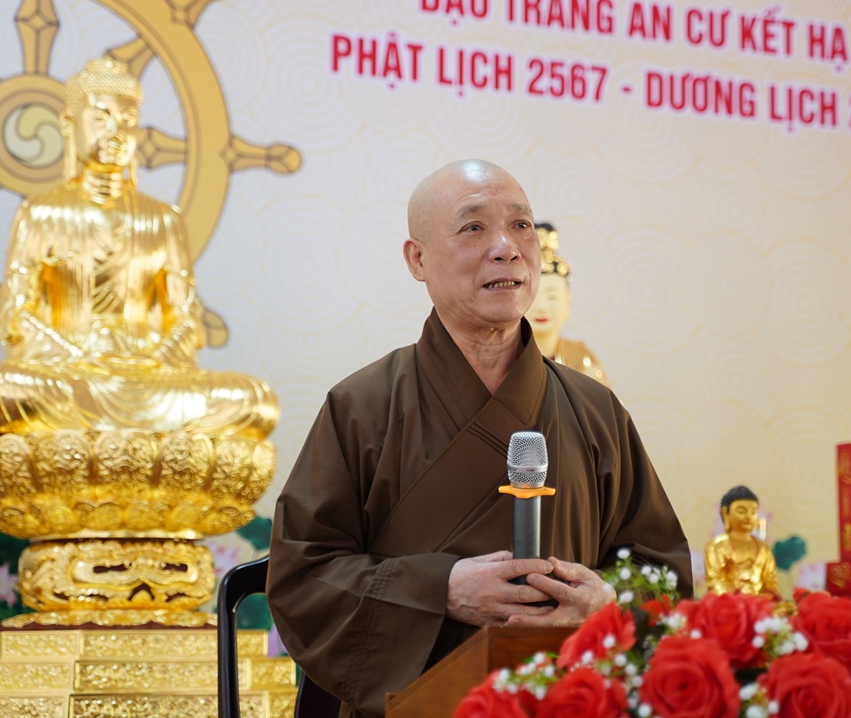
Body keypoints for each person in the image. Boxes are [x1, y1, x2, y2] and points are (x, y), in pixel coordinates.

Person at [268, 159, 691, 717]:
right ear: (417, 259)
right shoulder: (361, 407)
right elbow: (303, 577)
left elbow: (663, 572)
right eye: (473, 227)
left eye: (521, 226)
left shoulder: (596, 410)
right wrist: (439, 589)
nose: (507, 248)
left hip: (569, 701)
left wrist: (606, 602)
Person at [0, 56, 276, 441]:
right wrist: (80, 357)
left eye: (128, 120)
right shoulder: (41, 213)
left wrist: (153, 360)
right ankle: (142, 434)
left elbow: (186, 318)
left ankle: (128, 424)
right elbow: (16, 316)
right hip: (71, 371)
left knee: (254, 400)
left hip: (148, 374)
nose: (115, 131)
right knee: (1, 390)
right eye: (99, 118)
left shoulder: (162, 220)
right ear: (69, 125)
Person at [526, 222, 609, 385]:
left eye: (552, 297)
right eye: (533, 297)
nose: (541, 307)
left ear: (567, 301)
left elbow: (604, 400)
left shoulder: (581, 356)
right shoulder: (504, 359)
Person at [704, 485, 781, 599]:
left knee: (787, 607)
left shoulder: (763, 548)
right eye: (741, 511)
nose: (748, 516)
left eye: (753, 512)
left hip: (760, 603)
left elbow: (771, 583)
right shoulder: (717, 546)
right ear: (725, 513)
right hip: (731, 603)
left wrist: (768, 596)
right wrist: (743, 599)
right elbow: (716, 583)